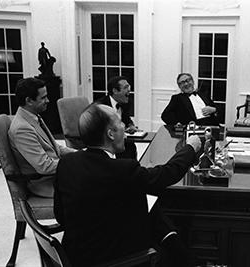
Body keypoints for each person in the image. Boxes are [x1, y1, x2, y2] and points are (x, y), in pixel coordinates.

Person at [54, 104, 201, 267]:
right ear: (110, 134)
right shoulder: (122, 169)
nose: (124, 126)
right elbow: (165, 175)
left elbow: (60, 215)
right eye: (119, 123)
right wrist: (190, 148)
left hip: (76, 252)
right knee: (161, 225)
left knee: (154, 213)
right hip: (111, 259)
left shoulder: (66, 163)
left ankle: (183, 253)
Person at [8, 77, 75, 197]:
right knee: (99, 184)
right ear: (29, 100)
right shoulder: (21, 129)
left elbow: (55, 148)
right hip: (45, 183)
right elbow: (44, 167)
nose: (48, 100)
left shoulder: (33, 116)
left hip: (56, 175)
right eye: (43, 97)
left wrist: (80, 153)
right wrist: (77, 162)